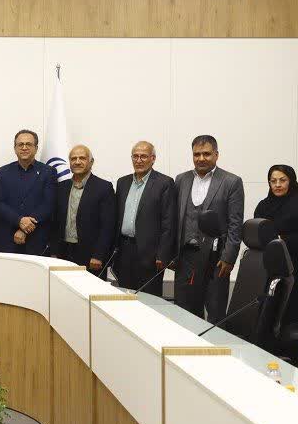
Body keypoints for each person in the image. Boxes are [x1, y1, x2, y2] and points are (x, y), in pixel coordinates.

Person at [174, 135, 244, 322]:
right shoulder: (181, 179)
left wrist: (229, 257)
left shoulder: (231, 181)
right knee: (184, 312)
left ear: (216, 155)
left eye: (206, 154)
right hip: (186, 257)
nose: (201, 158)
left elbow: (235, 224)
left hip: (217, 259)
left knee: (215, 313)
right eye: (196, 154)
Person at [113, 141, 176, 295]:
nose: (139, 160)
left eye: (143, 156)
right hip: (124, 250)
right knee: (124, 295)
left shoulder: (164, 183)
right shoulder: (123, 182)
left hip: (150, 254)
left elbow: (168, 222)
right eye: (135, 156)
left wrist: (163, 254)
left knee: (149, 298)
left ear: (153, 159)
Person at [254, 164, 298, 321]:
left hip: (294, 265)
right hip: (266, 264)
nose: (277, 185)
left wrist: (279, 240)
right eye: (273, 181)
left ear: (291, 181)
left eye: (282, 180)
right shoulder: (263, 205)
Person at [51, 145, 115, 276]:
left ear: (91, 162)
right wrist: (54, 251)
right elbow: (55, 222)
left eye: (82, 158)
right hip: (63, 252)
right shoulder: (61, 187)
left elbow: (108, 226)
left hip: (91, 255)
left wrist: (99, 255)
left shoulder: (104, 187)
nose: (77, 162)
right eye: (73, 158)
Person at [0, 130, 56, 255]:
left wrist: (25, 229)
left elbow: (48, 204)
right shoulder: (3, 172)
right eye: (20, 144)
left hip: (37, 238)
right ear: (15, 148)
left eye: (28, 144)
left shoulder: (48, 172)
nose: (24, 147)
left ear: (36, 148)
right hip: (9, 238)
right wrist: (19, 220)